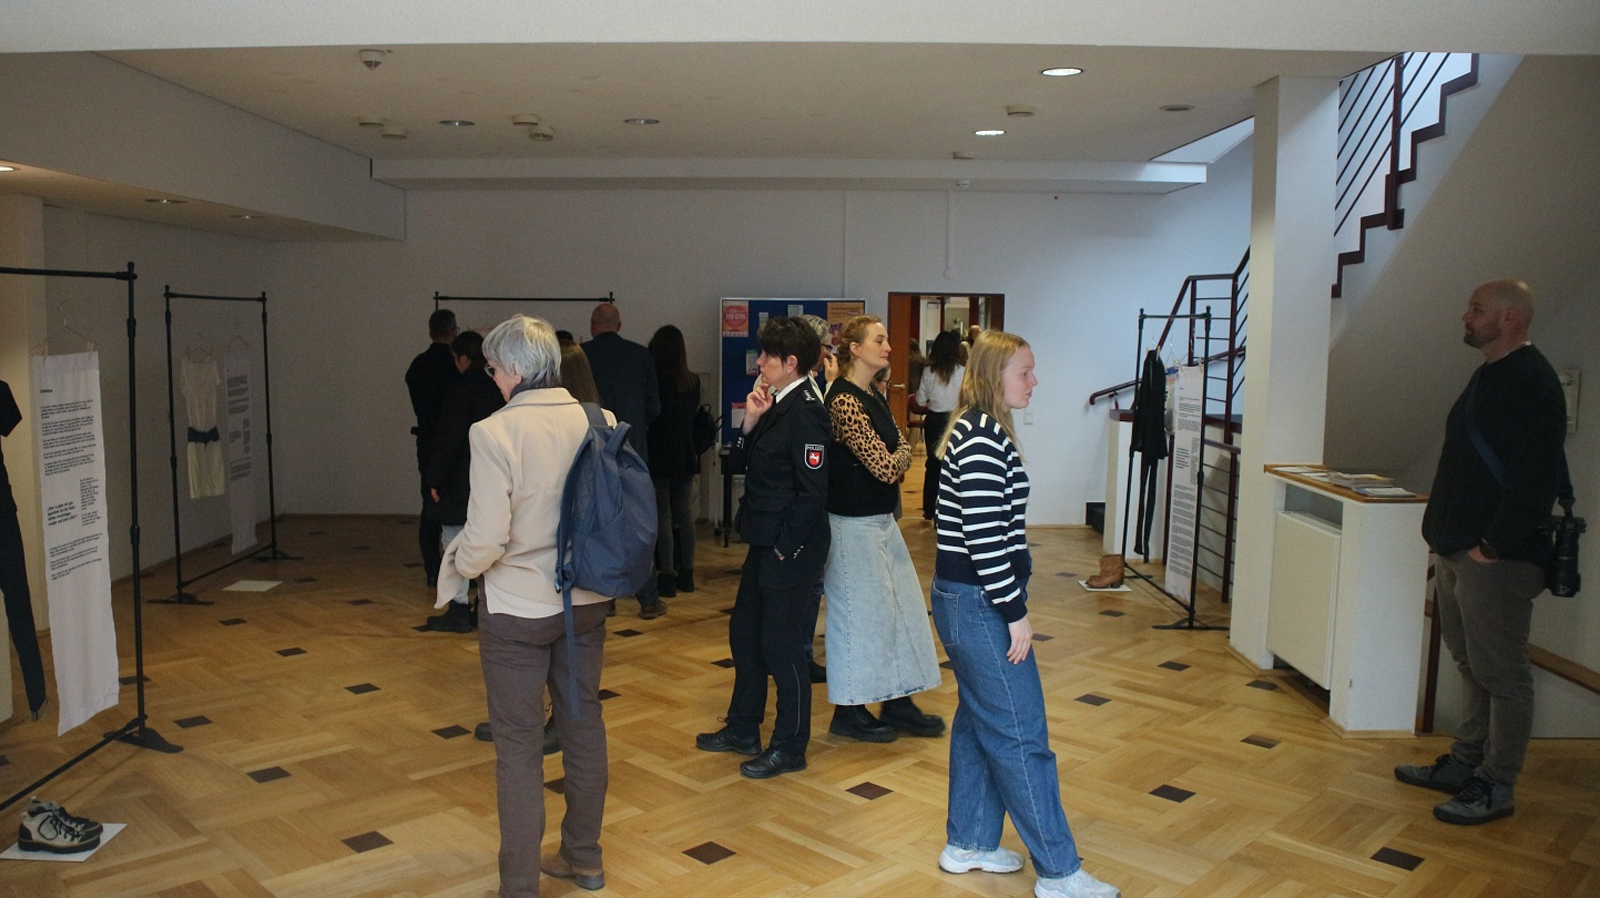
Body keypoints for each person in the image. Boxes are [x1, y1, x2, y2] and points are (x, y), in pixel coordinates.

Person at [930, 331, 1119, 898]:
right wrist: (1014, 613)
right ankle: (1059, 871)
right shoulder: (981, 439)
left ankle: (969, 842)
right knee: (1021, 735)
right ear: (994, 376)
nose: (1035, 381)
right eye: (1025, 372)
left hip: (966, 600)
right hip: (978, 604)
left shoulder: (981, 430)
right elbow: (985, 539)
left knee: (979, 724)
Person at [438, 315, 613, 897]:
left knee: (518, 747)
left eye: (492, 368)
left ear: (514, 367)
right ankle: (584, 858)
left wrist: (459, 564)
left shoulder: (494, 432)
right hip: (586, 598)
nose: (491, 378)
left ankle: (519, 885)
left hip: (516, 609)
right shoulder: (600, 419)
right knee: (583, 726)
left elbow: (486, 538)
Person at [1395, 278, 1567, 826]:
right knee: (1471, 664)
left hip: (1498, 560)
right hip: (1457, 549)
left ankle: (1497, 783)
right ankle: (1467, 762)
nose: (1465, 316)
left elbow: (1535, 481)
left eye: (1476, 309)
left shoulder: (1532, 380)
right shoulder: (1490, 373)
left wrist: (1490, 547)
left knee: (1503, 675)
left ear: (1509, 317)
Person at [696, 316, 829, 780]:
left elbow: (812, 493)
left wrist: (785, 549)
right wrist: (749, 422)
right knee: (745, 634)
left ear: (791, 363)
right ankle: (743, 727)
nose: (761, 363)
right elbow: (739, 465)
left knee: (782, 646)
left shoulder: (807, 410)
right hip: (764, 540)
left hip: (789, 547)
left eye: (768, 356)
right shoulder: (775, 403)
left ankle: (790, 745)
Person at [822, 315, 944, 744]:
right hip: (852, 525)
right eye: (879, 340)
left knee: (901, 609)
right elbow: (887, 465)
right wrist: (899, 457)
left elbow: (899, 447)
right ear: (855, 349)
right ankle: (849, 710)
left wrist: (898, 456)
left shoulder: (871, 393)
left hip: (879, 521)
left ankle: (897, 700)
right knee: (860, 618)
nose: (889, 347)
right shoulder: (843, 400)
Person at [581, 301, 664, 616]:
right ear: (619, 324)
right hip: (632, 447)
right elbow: (654, 406)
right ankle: (649, 597)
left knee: (598, 519)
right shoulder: (641, 355)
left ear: (593, 325)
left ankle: (606, 598)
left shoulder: (582, 356)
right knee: (637, 521)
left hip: (592, 448)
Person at [421, 330, 505, 633]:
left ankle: (457, 607)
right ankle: (484, 606)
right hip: (493, 477)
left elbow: (449, 438)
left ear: (464, 359)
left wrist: (434, 478)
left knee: (454, 541)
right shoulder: (499, 387)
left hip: (460, 479)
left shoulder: (461, 389)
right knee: (490, 542)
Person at [0, 379, 47, 717]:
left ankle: (37, 698)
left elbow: (9, 419)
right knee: (19, 606)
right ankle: (37, 699)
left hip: (3, 516)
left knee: (19, 606)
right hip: (4, 515)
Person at [406, 309, 461, 587]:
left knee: (429, 504)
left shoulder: (418, 366)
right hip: (456, 442)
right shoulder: (456, 366)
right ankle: (460, 568)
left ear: (430, 332)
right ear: (454, 331)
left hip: (427, 440)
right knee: (460, 503)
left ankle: (432, 567)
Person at [646, 325, 702, 598]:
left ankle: (666, 575)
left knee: (663, 516)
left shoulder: (654, 381)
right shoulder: (692, 382)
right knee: (684, 514)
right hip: (685, 453)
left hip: (659, 453)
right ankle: (687, 574)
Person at [914, 331, 964, 519]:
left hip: (934, 421)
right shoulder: (963, 371)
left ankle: (929, 509)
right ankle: (950, 509)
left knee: (933, 465)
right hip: (956, 421)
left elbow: (920, 400)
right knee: (954, 465)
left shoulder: (929, 372)